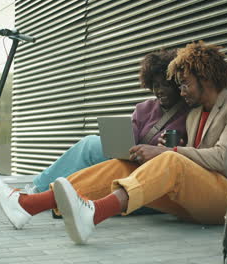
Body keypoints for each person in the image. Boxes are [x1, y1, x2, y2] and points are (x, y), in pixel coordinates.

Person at [0, 41, 227, 245]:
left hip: (224, 197)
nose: (181, 91)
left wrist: (167, 150)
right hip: (188, 199)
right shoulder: (194, 112)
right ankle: (26, 205)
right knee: (123, 167)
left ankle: (94, 214)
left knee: (169, 159)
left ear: (205, 78)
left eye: (185, 85)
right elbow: (189, 155)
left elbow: (222, 159)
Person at [26, 49, 189, 193]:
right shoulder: (144, 108)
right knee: (90, 146)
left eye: (165, 85)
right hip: (130, 161)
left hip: (152, 171)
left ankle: (41, 190)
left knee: (89, 144)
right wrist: (121, 142)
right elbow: (129, 135)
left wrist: (175, 148)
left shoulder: (188, 114)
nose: (159, 91)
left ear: (176, 84)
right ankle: (39, 189)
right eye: (155, 85)